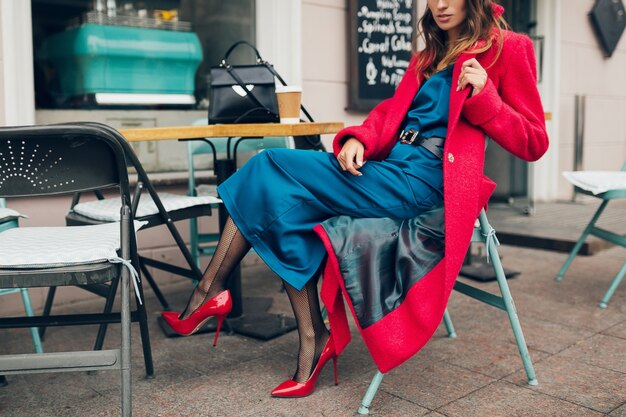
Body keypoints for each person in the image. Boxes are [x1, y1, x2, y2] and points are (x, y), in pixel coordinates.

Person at [162, 0, 549, 398]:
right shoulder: (425, 58)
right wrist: (357, 140)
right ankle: (312, 340)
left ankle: (211, 291)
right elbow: (389, 116)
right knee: (289, 210)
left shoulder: (506, 47)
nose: (441, 4)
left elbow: (534, 142)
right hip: (390, 170)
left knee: (267, 165)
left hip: (427, 182)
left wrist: (487, 97)